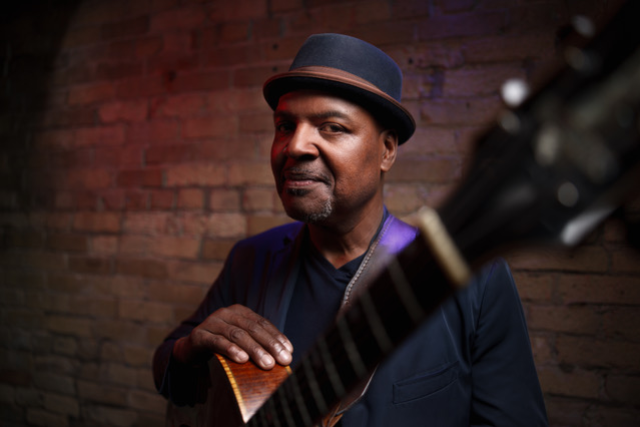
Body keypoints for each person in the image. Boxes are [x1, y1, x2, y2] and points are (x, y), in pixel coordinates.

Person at [153, 33, 548, 426]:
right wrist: (188, 350)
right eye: (285, 125)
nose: (295, 146)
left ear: (386, 151)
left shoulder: (474, 276)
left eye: (332, 127)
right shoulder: (251, 258)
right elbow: (172, 375)